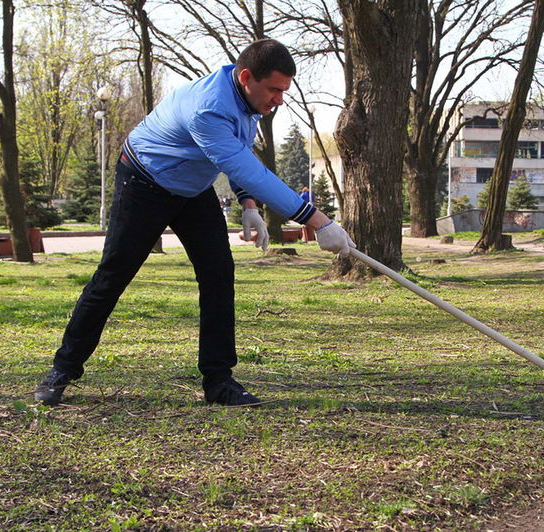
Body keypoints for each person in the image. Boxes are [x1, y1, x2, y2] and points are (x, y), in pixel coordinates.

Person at [34, 39, 354, 407]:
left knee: (218, 274)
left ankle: (219, 381)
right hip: (144, 182)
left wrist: (248, 203)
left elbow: (238, 152)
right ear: (247, 76)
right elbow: (241, 164)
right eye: (275, 90)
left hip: (192, 189)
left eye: (284, 91)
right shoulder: (209, 107)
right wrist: (317, 219)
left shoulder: (246, 101)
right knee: (112, 276)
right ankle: (63, 368)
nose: (279, 99)